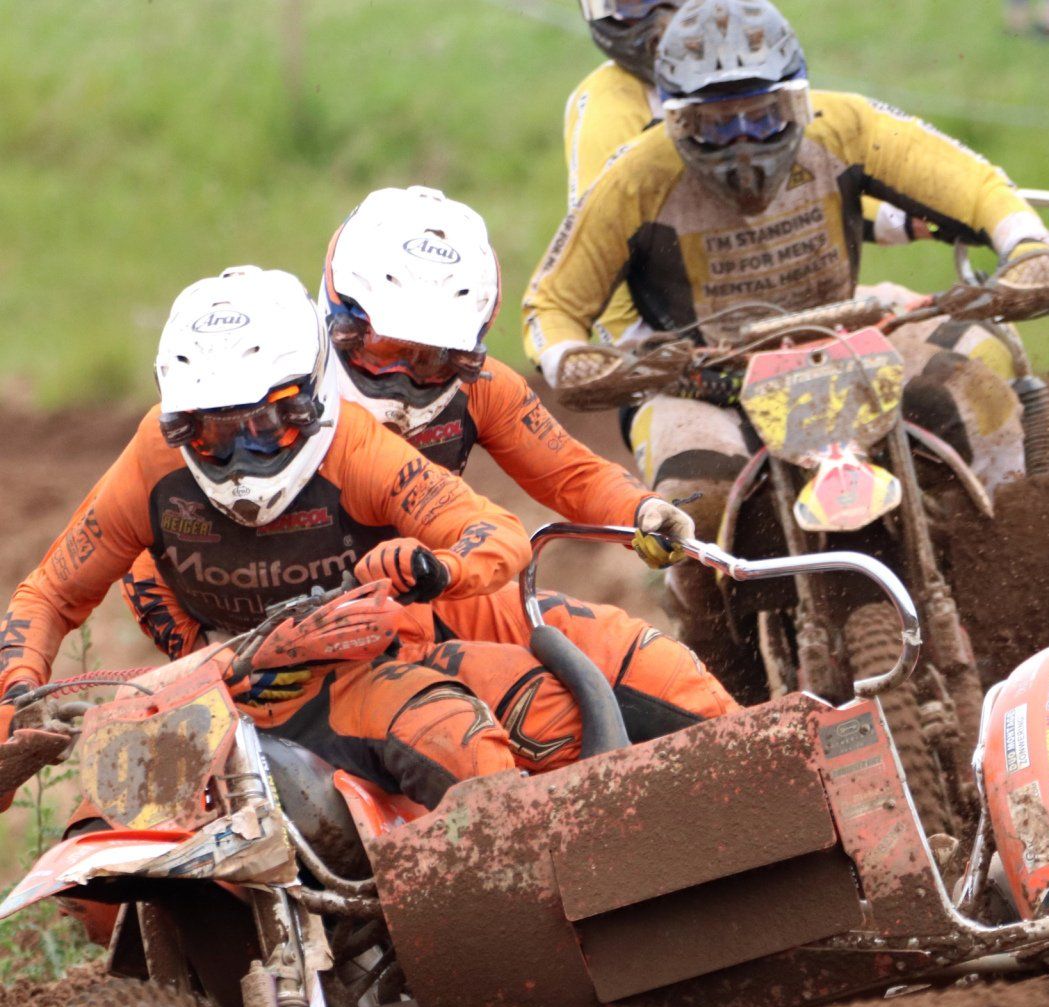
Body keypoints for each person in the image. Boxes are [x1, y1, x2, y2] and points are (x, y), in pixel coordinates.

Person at [120, 187, 739, 765]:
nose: (401, 380)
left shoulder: (483, 389)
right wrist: (207, 652)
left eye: (429, 358)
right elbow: (145, 535)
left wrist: (640, 512)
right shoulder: (249, 401)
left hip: (441, 591)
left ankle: (780, 798)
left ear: (466, 350)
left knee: (650, 665)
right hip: (323, 642)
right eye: (382, 351)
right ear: (339, 318)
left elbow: (569, 472)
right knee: (538, 716)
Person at [523, 0, 1049, 637]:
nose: (744, 145)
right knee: (691, 509)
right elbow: (551, 302)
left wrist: (1028, 247)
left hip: (847, 331)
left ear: (799, 100)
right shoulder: (634, 178)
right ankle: (718, 661)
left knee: (982, 396)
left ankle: (1032, 580)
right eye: (715, 126)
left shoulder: (844, 126)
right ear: (673, 120)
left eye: (762, 118)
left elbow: (975, 183)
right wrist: (582, 359)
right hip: (698, 375)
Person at [0, 268, 524, 809]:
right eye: (213, 433)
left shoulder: (359, 450)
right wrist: (18, 693)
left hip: (355, 683)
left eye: (267, 424)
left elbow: (495, 531)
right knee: (98, 848)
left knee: (463, 744)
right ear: (180, 422)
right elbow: (50, 593)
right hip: (212, 698)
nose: (242, 458)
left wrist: (441, 569)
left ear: (311, 399)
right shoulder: (152, 461)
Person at [567, 0, 926, 347]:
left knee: (930, 332)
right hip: (691, 340)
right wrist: (641, 351)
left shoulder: (749, 57)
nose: (662, 16)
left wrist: (903, 217)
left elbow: (811, 182)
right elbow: (598, 247)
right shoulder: (607, 111)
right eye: (635, 1)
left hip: (795, 304)